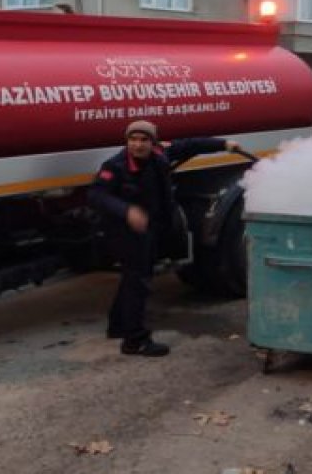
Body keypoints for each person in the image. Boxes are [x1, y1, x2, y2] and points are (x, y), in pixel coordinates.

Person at [88, 120, 240, 356]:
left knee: (133, 278)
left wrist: (224, 144)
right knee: (138, 281)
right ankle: (135, 341)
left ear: (153, 142)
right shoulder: (115, 166)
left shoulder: (160, 154)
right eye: (133, 140)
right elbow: (97, 195)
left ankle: (118, 325)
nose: (137, 145)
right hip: (125, 231)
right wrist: (126, 211)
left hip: (150, 226)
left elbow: (191, 145)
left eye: (143, 140)